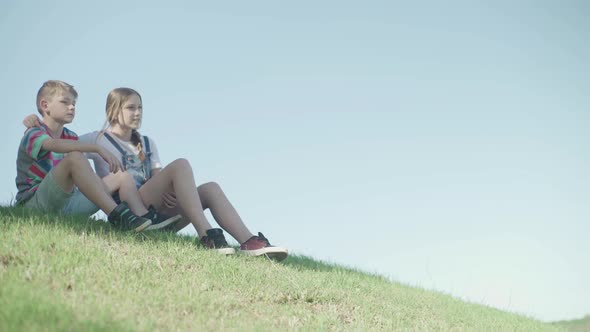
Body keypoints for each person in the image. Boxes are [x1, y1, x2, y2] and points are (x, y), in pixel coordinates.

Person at [24, 87, 288, 261]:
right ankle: (207, 235)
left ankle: (249, 243)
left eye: (140, 108)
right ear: (114, 111)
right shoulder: (97, 138)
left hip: (156, 209)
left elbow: (158, 177)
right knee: (182, 163)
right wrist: (34, 120)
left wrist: (175, 194)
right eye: (131, 108)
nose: (137, 113)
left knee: (210, 188)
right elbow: (66, 149)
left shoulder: (147, 143)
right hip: (130, 205)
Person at [16, 80, 177, 232]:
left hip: (67, 205)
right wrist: (97, 148)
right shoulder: (34, 132)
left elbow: (78, 163)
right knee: (75, 157)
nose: (72, 107)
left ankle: (144, 219)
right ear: (45, 105)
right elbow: (53, 145)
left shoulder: (71, 136)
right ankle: (118, 217)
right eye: (65, 102)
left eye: (74, 103)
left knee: (121, 176)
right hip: (36, 204)